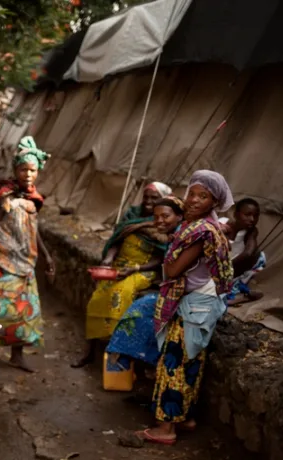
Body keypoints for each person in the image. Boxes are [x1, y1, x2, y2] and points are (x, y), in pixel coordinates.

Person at [139, 170, 234, 445]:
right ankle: (186, 418)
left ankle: (166, 428)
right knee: (191, 364)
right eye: (192, 193)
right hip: (200, 306)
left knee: (174, 365)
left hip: (193, 307)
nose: (193, 200)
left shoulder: (200, 232)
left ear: (213, 202)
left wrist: (170, 259)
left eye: (203, 196)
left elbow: (172, 270)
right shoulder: (207, 226)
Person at [0, 136, 55, 373]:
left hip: (26, 264)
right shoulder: (4, 195)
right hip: (2, 261)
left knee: (24, 312)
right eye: (23, 169)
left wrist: (47, 256)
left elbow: (33, 231)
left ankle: (16, 356)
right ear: (15, 169)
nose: (28, 174)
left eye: (32, 170)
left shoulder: (32, 199)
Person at [72, 182, 172, 368]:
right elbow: (117, 239)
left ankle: (115, 354)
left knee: (120, 294)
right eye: (146, 197)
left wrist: (135, 268)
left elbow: (162, 258)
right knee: (97, 298)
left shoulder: (163, 222)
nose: (149, 201)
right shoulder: (132, 216)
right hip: (120, 265)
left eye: (154, 198)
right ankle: (90, 351)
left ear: (163, 201)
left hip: (143, 269)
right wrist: (109, 258)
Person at [106, 196, 185, 370]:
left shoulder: (183, 237)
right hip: (173, 290)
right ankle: (133, 360)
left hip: (186, 294)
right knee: (138, 311)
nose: (159, 221)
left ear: (179, 216)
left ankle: (130, 360)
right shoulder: (173, 236)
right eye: (156, 217)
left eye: (165, 216)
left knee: (139, 312)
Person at [219, 198, 266, 306]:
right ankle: (235, 297)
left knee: (259, 257)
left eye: (256, 216)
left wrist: (227, 268)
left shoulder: (251, 232)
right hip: (213, 266)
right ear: (236, 215)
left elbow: (249, 253)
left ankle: (233, 290)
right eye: (247, 214)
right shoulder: (221, 224)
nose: (252, 219)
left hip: (230, 268)